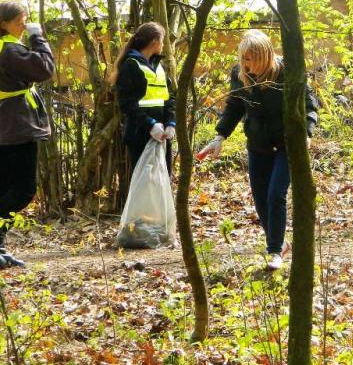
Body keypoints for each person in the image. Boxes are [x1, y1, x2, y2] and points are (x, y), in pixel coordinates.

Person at [197, 30, 319, 271]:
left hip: (286, 144)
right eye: (243, 59)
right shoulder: (239, 74)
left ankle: (274, 251)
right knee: (261, 198)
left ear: (265, 56)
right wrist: (220, 136)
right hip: (258, 144)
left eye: (251, 59)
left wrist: (306, 133)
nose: (247, 65)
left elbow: (309, 104)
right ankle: (280, 243)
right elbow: (234, 107)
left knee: (276, 194)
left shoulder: (287, 71)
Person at [0, 1, 55, 268]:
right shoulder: (10, 50)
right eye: (20, 21)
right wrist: (37, 37)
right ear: (4, 23)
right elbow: (45, 69)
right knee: (24, 189)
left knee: (5, 188)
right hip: (18, 125)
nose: (23, 26)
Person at [112, 22, 176, 174]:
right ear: (154, 42)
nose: (163, 45)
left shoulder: (160, 67)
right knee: (144, 183)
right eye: (162, 40)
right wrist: (150, 125)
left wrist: (171, 122)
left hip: (162, 135)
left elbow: (168, 98)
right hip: (139, 135)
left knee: (163, 181)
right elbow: (126, 104)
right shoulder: (130, 66)